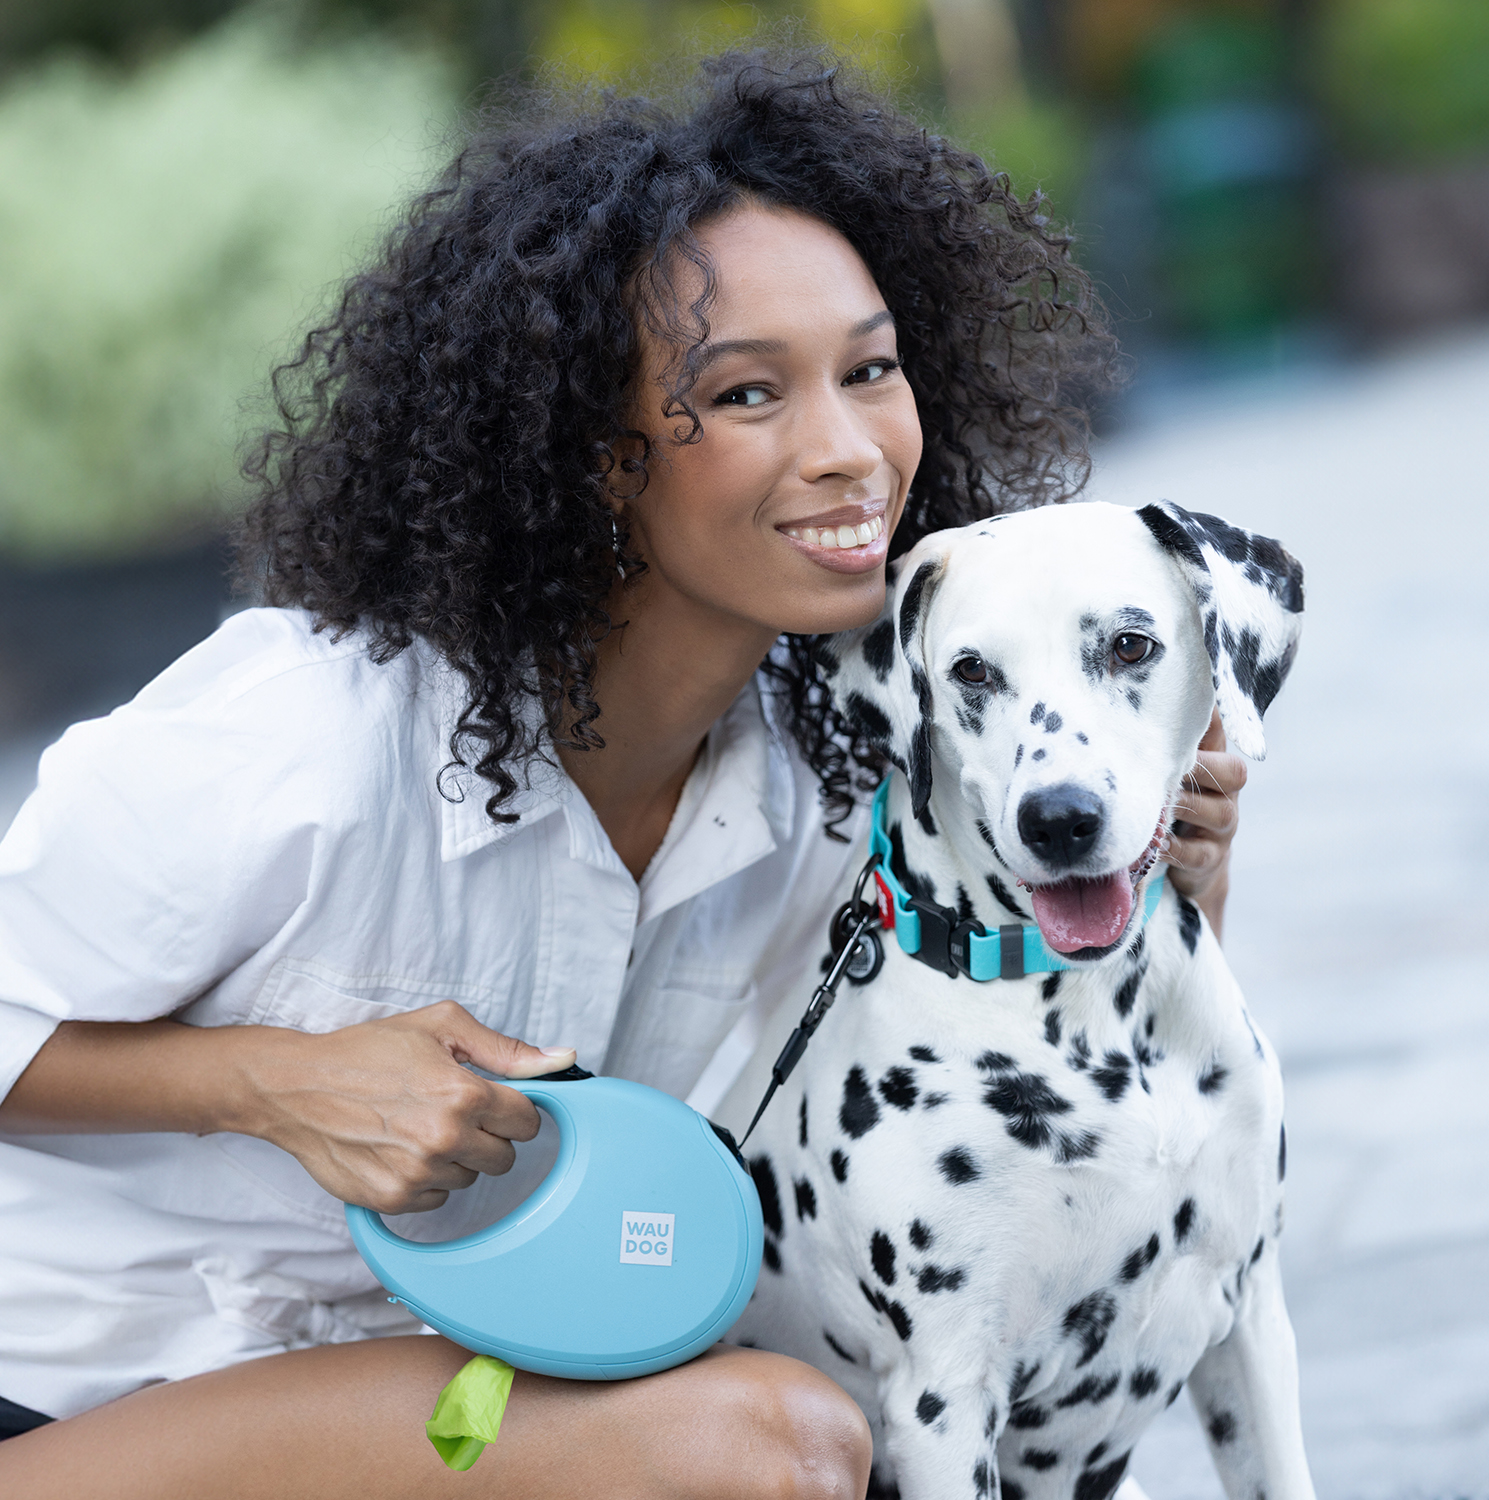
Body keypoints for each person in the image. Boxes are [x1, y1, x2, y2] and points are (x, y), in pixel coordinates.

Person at [0, 45, 1246, 1500]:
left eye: (871, 370)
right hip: (70, 1403)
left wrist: (1176, 884)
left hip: (444, 1400)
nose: (851, 452)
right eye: (743, 395)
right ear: (593, 453)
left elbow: (1064, 1167)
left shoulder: (833, 782)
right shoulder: (307, 735)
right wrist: (277, 1085)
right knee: (762, 1451)